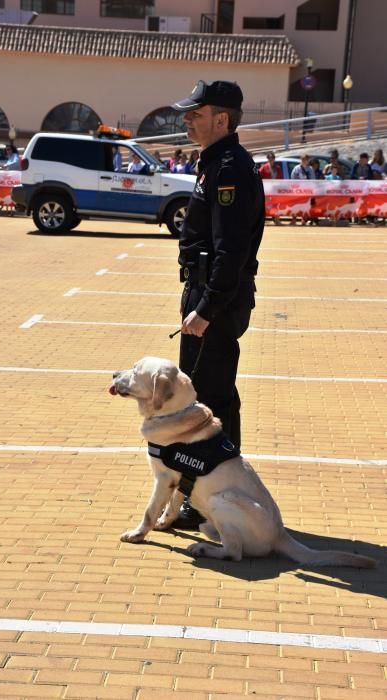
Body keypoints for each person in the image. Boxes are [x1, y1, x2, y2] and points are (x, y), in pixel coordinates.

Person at [171, 79, 265, 527]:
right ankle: (216, 491)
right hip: (211, 294)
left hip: (216, 300)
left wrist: (206, 309)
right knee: (214, 397)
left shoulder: (228, 169)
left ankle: (209, 495)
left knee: (207, 402)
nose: (187, 119)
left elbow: (231, 250)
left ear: (221, 119)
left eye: (196, 112)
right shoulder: (216, 164)